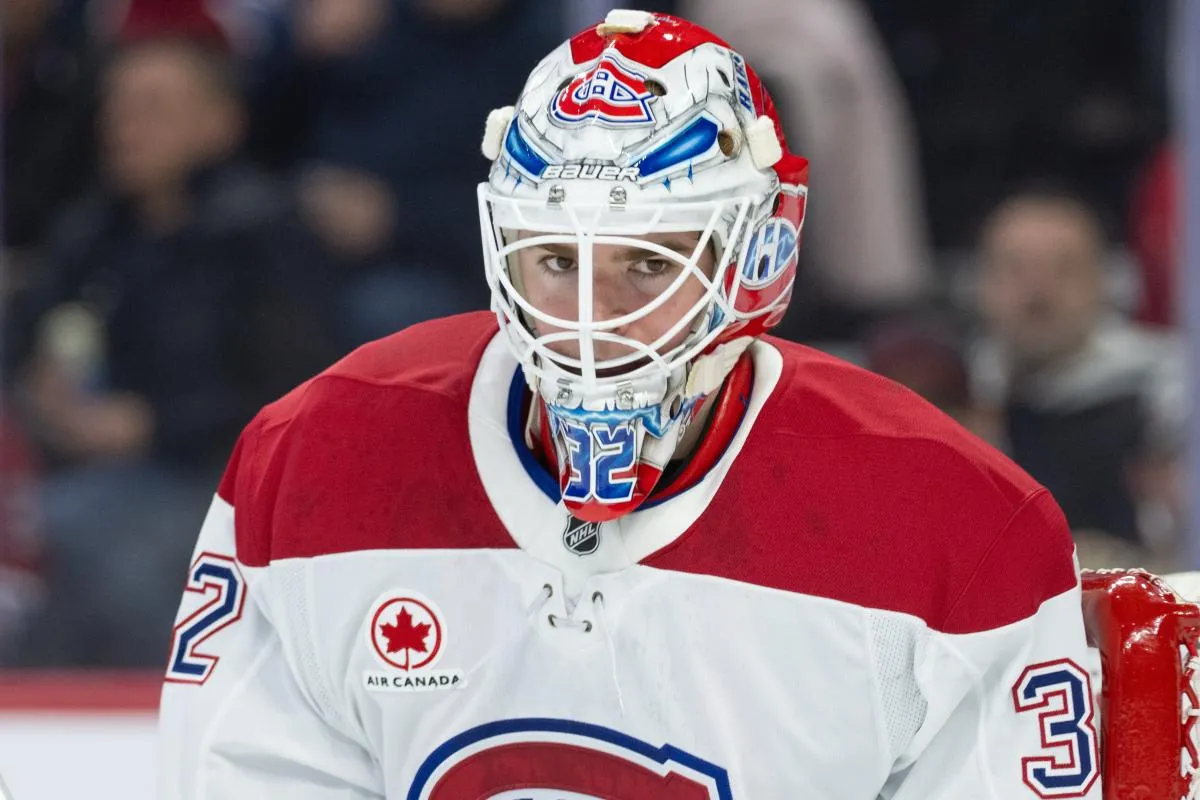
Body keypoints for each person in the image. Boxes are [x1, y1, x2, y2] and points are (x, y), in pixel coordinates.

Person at [159, 12, 1100, 798]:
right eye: (557, 260)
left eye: (648, 264)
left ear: (756, 262)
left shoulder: (957, 525)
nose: (586, 321)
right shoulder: (319, 459)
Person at [969, 186, 1186, 558]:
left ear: (1103, 283)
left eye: (1064, 268)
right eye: (1016, 268)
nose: (1038, 291)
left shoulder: (1169, 385)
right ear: (981, 285)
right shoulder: (954, 395)